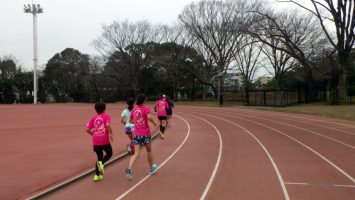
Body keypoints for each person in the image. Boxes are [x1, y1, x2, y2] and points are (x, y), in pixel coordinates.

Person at [125, 94, 158, 180]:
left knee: (136, 153)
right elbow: (149, 117)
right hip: (145, 133)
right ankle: (151, 168)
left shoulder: (134, 109)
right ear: (144, 100)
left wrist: (137, 123)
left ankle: (129, 168)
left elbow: (130, 120)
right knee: (149, 150)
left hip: (137, 134)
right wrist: (154, 122)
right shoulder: (145, 108)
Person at [86, 102, 114, 182]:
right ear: (104, 108)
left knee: (99, 157)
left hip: (95, 140)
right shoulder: (106, 116)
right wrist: (111, 134)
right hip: (104, 140)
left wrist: (94, 134)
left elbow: (87, 130)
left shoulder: (93, 118)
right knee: (109, 153)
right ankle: (101, 164)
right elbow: (108, 125)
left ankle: (97, 176)